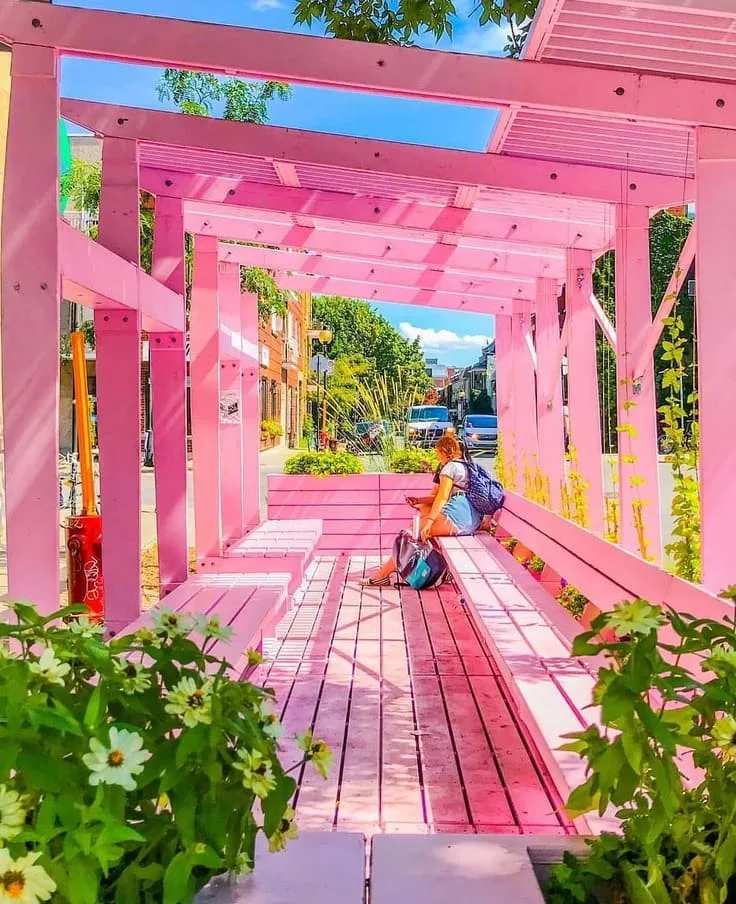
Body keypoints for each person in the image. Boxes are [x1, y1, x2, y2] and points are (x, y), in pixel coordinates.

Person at [360, 433, 482, 587]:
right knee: (417, 531)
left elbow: (442, 497)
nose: (437, 457)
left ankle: (382, 575)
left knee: (412, 533)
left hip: (457, 518)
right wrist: (420, 502)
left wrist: (430, 522)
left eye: (437, 453)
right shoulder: (467, 466)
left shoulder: (450, 467)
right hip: (471, 520)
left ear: (444, 451)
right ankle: (428, 571)